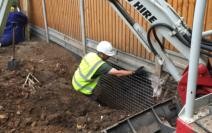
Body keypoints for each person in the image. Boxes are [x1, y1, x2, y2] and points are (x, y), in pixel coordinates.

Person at [72, 41, 144, 99]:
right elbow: (118, 73)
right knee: (93, 103)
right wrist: (134, 72)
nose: (109, 56)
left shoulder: (90, 54)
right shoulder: (100, 66)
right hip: (82, 89)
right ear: (102, 54)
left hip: (75, 81)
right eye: (108, 55)